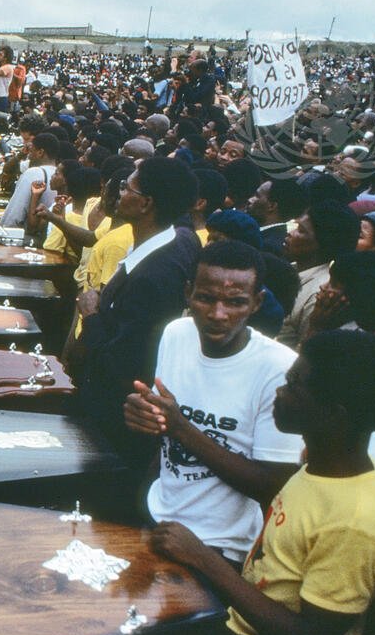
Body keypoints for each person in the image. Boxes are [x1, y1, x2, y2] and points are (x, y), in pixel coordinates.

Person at [151, 330, 375, 635]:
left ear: (335, 414)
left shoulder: (358, 521)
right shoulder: (318, 464)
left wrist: (202, 557)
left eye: (295, 386)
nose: (280, 391)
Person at [125, 240, 302, 563]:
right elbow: (162, 432)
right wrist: (144, 418)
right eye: (206, 298)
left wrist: (181, 429)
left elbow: (273, 486)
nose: (218, 314)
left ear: (257, 302)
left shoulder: (279, 369)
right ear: (188, 293)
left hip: (221, 547)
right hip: (156, 518)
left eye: (235, 302)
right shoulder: (176, 334)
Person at [78, 157, 201, 468]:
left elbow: (123, 366)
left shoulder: (153, 277)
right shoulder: (179, 239)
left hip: (119, 424)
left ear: (146, 204)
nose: (119, 193)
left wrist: (91, 315)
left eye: (126, 187)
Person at [277, 200, 360, 349]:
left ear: (323, 242)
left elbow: (304, 355)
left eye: (301, 230)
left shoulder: (320, 294)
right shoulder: (288, 269)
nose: (290, 233)